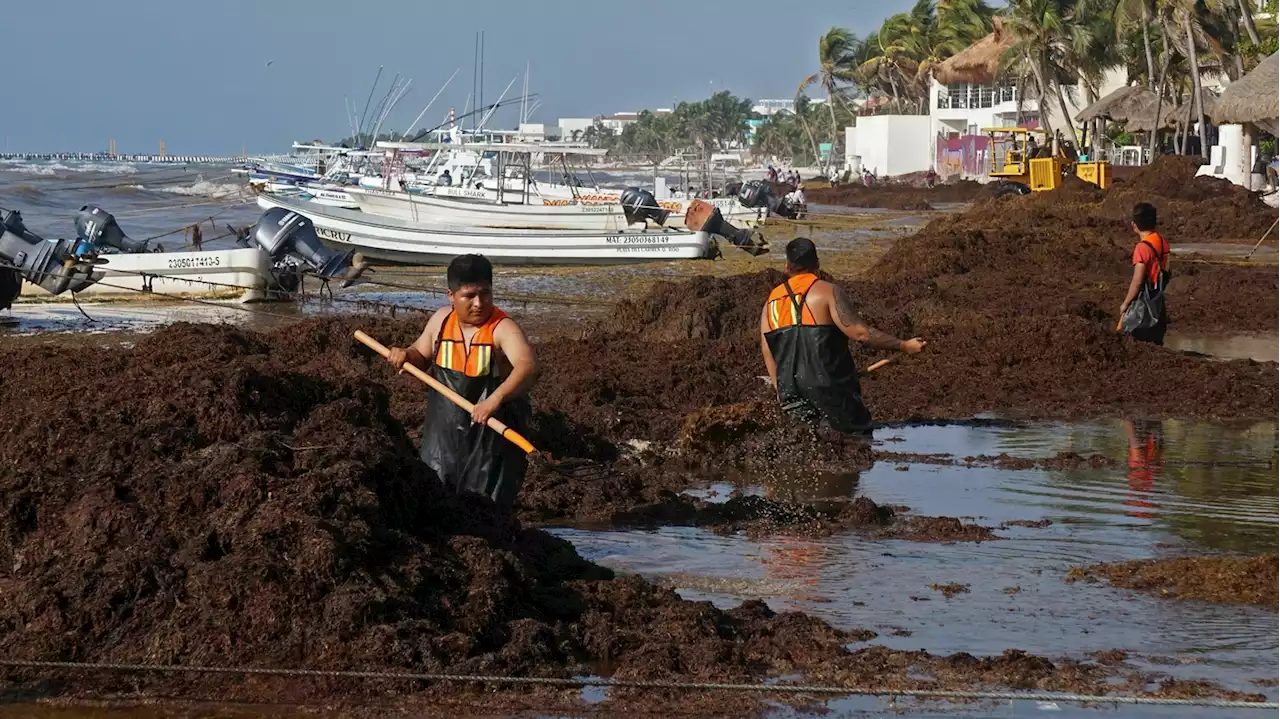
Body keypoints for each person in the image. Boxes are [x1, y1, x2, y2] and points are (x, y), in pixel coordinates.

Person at [386, 254, 537, 511]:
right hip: (443, 437)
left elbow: (529, 366)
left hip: (489, 439)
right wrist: (404, 355)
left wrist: (494, 400)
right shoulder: (441, 321)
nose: (479, 303)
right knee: (436, 503)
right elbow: (420, 355)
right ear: (451, 295)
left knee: (484, 510)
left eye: (485, 294)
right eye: (469, 296)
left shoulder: (503, 328)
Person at [760, 238, 926, 434]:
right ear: (817, 264)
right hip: (830, 389)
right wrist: (903, 345)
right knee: (857, 441)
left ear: (787, 266)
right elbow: (860, 333)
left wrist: (782, 391)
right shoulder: (828, 292)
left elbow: (767, 349)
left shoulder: (771, 302)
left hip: (790, 390)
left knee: (804, 444)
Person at [1117, 202, 1171, 345]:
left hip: (1143, 304)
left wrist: (1126, 303)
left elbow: (1137, 281)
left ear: (1134, 225)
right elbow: (1166, 270)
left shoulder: (1142, 248)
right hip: (1158, 302)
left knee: (1133, 339)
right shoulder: (1162, 241)